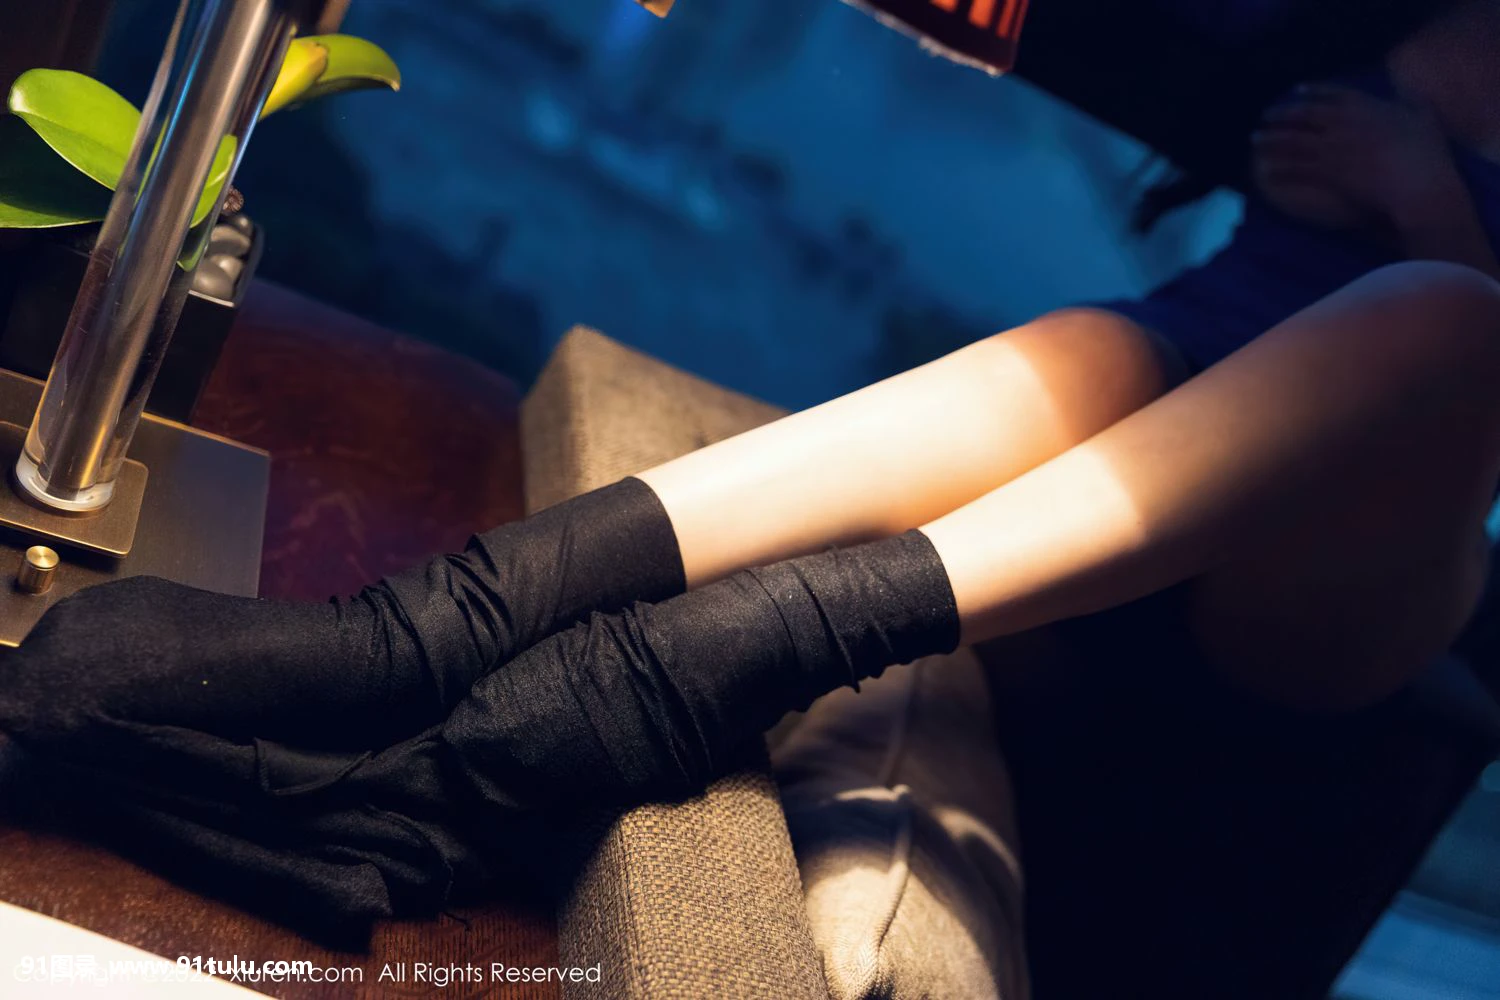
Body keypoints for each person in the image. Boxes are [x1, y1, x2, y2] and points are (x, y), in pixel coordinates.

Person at [2, 0, 1500, 938]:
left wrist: (1427, 196)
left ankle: (652, 681)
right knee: (1094, 354)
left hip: (1334, 578)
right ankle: (416, 646)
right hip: (1107, 469)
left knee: (1443, 314)